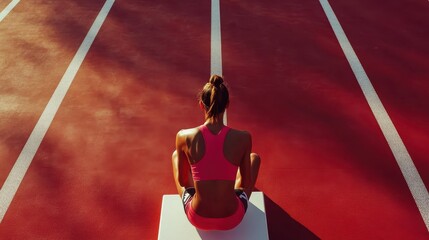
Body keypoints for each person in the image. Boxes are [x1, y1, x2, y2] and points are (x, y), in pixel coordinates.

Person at [172, 75, 261, 230]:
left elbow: (182, 181)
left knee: (176, 155)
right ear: (227, 104)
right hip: (232, 219)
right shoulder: (244, 137)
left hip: (197, 218)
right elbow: (246, 183)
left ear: (201, 105)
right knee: (254, 158)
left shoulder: (183, 136)